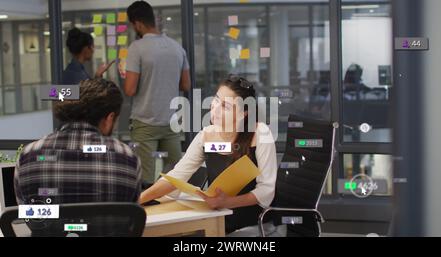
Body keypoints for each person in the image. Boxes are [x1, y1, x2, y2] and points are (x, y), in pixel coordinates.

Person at [139, 75, 277, 234]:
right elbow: (177, 177)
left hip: (254, 226)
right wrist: (138, 200)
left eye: (225, 106)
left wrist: (228, 202)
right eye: (216, 99)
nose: (215, 108)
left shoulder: (260, 134)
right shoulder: (206, 135)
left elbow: (266, 191)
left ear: (244, 113)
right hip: (218, 221)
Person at [14, 78, 141, 206]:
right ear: (109, 118)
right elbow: (131, 213)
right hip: (110, 227)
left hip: (49, 226)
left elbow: (27, 213)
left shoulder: (28, 155)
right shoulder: (127, 157)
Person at [124, 1, 191, 188]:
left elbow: (130, 89)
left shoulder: (136, 48)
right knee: (175, 178)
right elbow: (186, 85)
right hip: (170, 123)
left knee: (145, 180)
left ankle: (148, 216)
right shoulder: (177, 48)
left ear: (137, 23)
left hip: (145, 122)